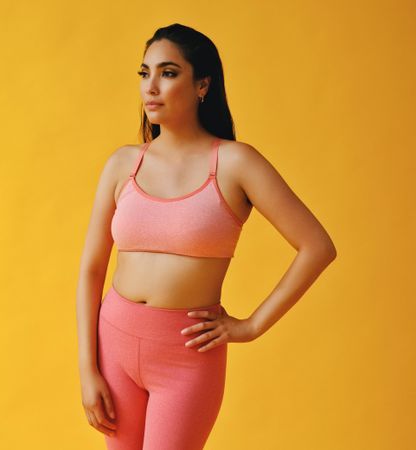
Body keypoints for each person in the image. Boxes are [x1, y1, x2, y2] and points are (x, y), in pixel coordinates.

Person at [76, 23, 337, 450]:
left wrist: (251, 326)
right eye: (144, 74)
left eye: (169, 72)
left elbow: (317, 247)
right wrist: (88, 369)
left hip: (186, 357)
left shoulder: (235, 163)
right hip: (114, 345)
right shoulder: (123, 164)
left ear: (202, 85)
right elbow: (91, 270)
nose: (152, 87)